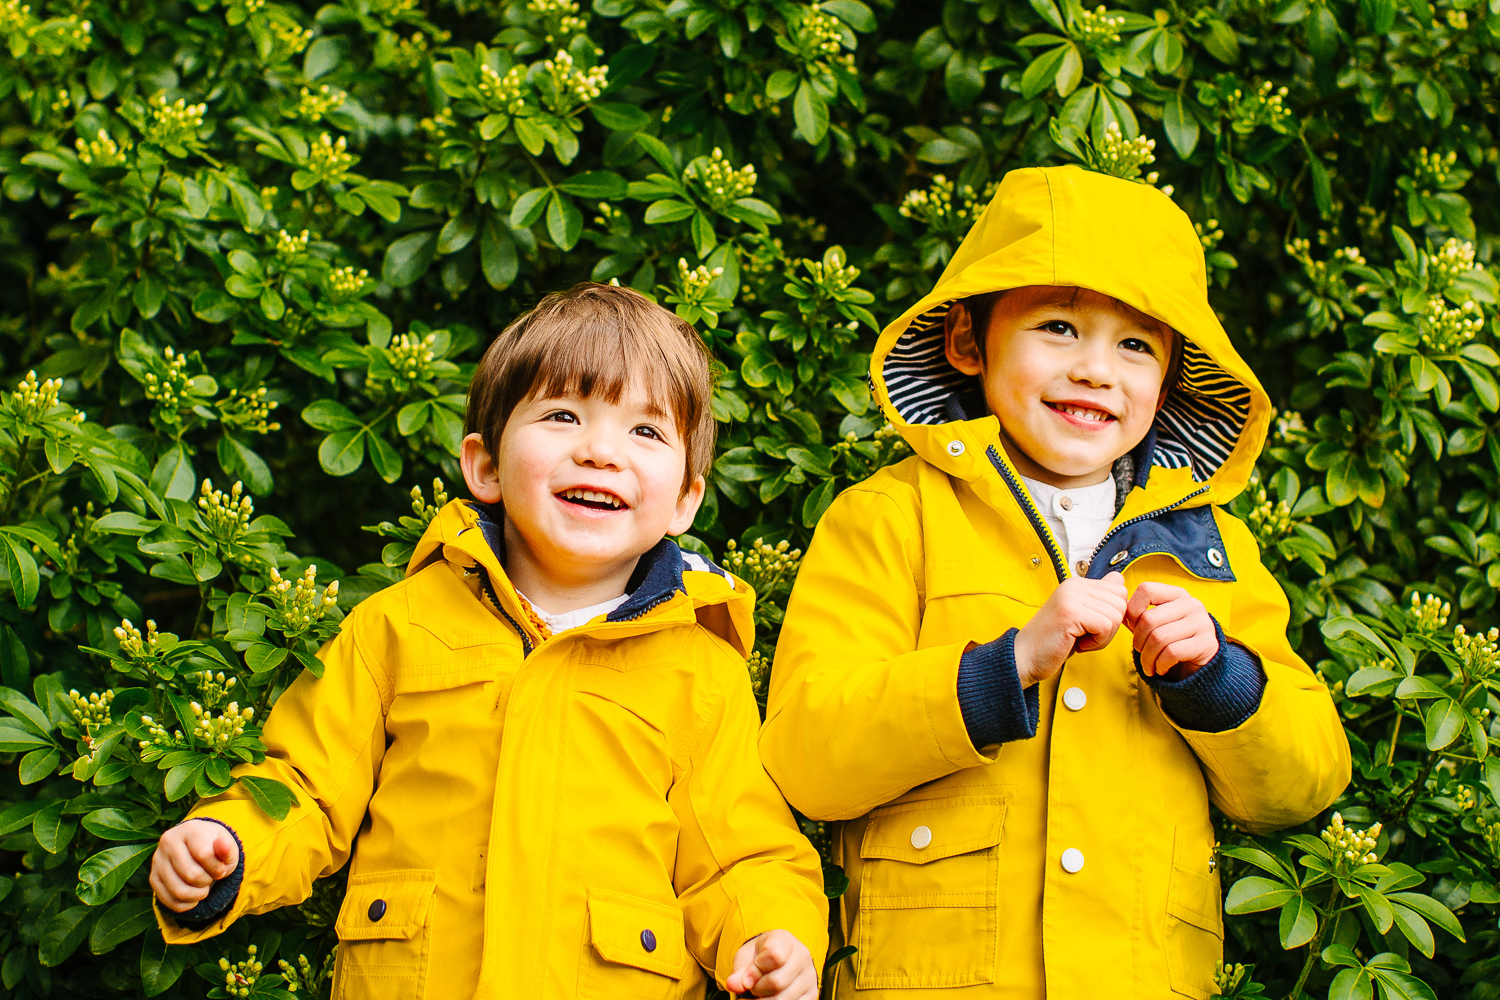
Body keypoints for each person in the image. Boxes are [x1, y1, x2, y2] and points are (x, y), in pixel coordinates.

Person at [759, 165, 1350, 999]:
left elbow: (1305, 783)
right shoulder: (892, 515)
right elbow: (804, 756)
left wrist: (1217, 678)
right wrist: (999, 670)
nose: (1097, 371)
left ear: (1171, 372)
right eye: (1059, 327)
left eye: (1136, 344)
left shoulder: (1209, 549)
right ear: (970, 340)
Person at [150, 283, 828, 1000]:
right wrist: (231, 845)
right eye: (563, 415)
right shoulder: (399, 626)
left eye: (645, 432)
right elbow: (308, 789)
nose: (600, 451)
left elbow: (737, 857)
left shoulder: (700, 669)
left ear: (685, 500)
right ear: (486, 466)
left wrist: (769, 936)